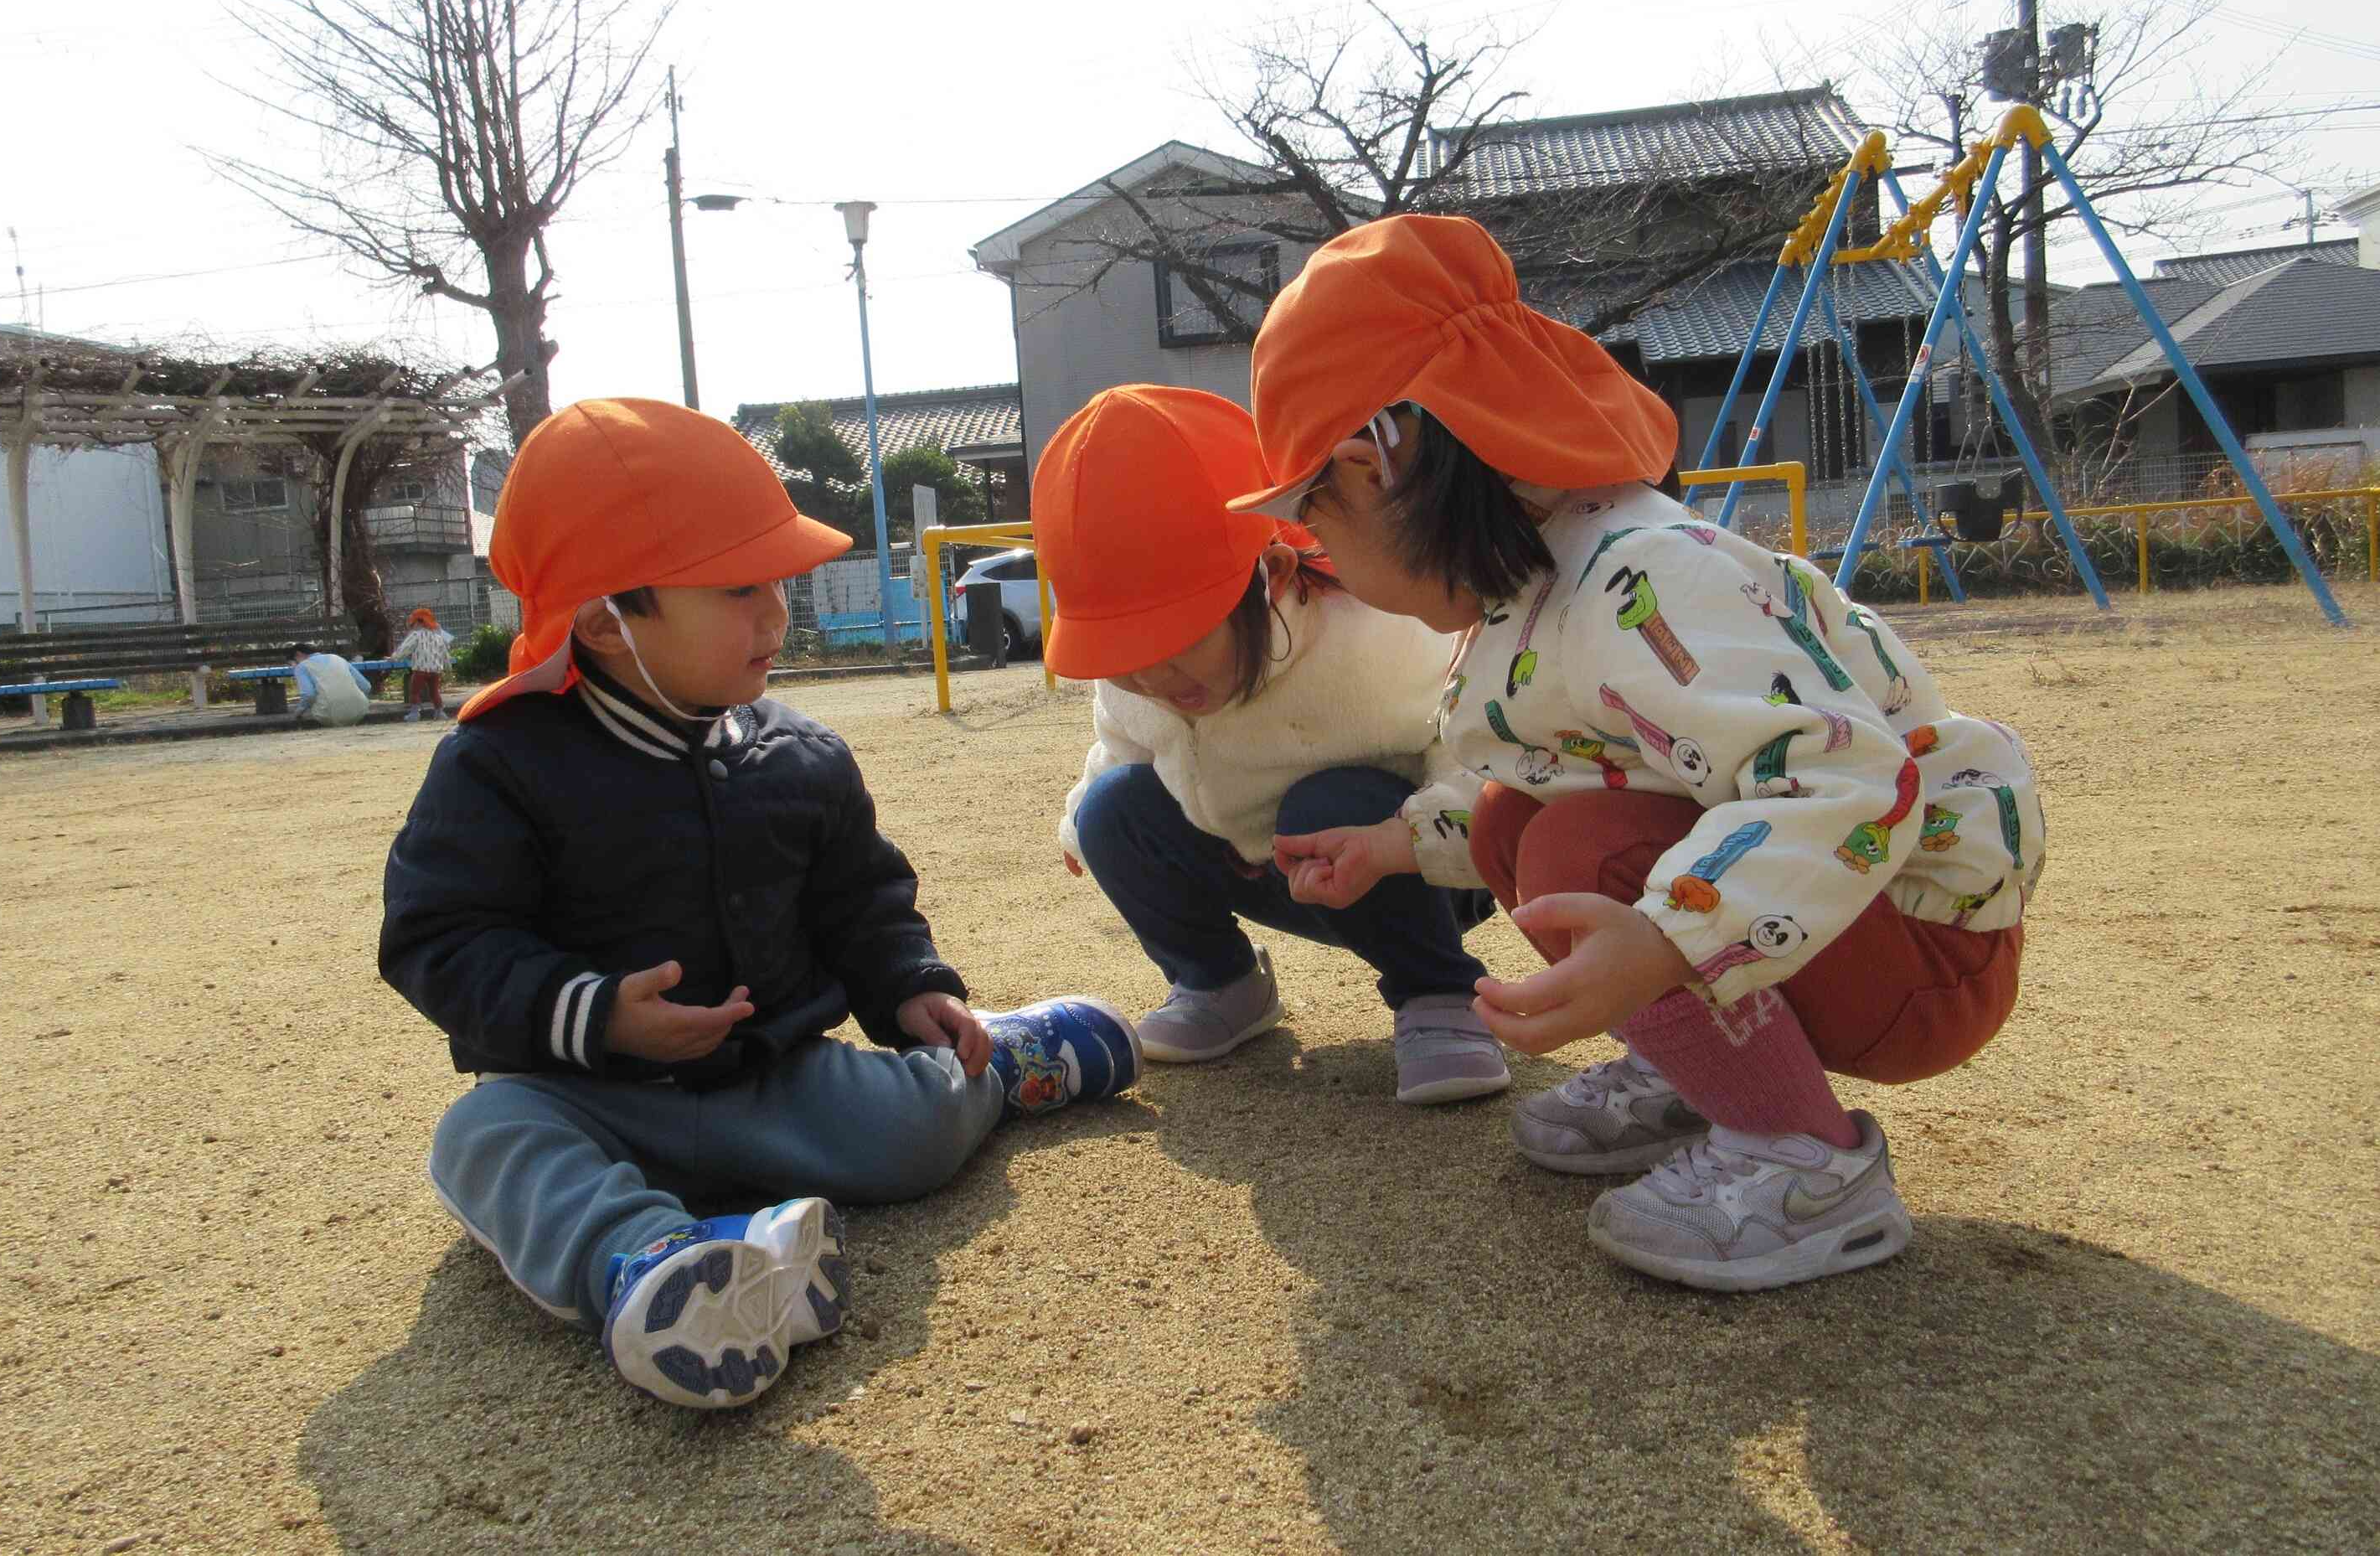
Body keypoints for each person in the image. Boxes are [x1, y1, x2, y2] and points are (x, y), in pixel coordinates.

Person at [1237, 216, 2039, 1292]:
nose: (1318, 559)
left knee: (1581, 843)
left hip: (1920, 944)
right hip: (1833, 912)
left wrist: (1666, 940)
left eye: (1312, 527)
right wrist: (1392, 843)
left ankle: (1806, 1162)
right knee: (1517, 821)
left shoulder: (1641, 574)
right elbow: (1538, 769)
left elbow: (1847, 778)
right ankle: (1704, 1072)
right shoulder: (1542, 578)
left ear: (1368, 469)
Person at [380, 398, 1142, 1409]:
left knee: (912, 1133)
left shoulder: (800, 755)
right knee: (481, 1137)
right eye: (740, 589)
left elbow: (860, 899)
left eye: (778, 584)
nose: (777, 615)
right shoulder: (500, 767)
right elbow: (439, 935)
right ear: (609, 618)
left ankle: (997, 1060)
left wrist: (911, 987)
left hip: (772, 1077)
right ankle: (650, 1264)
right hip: (587, 1093)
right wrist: (596, 1011)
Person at [1034, 385, 1505, 1105]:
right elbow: (1122, 745)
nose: (1150, 676)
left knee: (1329, 800)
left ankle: (1439, 992)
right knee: (1110, 807)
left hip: (1414, 866)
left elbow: (1472, 752)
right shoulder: (1135, 680)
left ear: (1273, 578)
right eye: (1121, 649)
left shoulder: (1372, 640)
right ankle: (1219, 983)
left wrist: (1417, 838)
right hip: (1259, 860)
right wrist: (1084, 823)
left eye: (1176, 638)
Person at [289, 643, 371, 727]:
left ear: (298, 654)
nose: (293, 667)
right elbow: (366, 686)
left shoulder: (301, 667)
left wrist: (298, 713)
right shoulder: (338, 658)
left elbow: (309, 695)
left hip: (329, 715)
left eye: (293, 663)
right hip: (360, 711)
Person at [395, 607, 455, 721]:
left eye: (413, 624)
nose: (412, 627)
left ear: (418, 622)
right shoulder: (438, 637)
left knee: (414, 692)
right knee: (434, 692)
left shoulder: (416, 635)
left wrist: (394, 658)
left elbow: (405, 648)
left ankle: (414, 714)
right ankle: (440, 713)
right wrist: (448, 668)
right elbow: (445, 654)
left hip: (420, 669)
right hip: (435, 670)